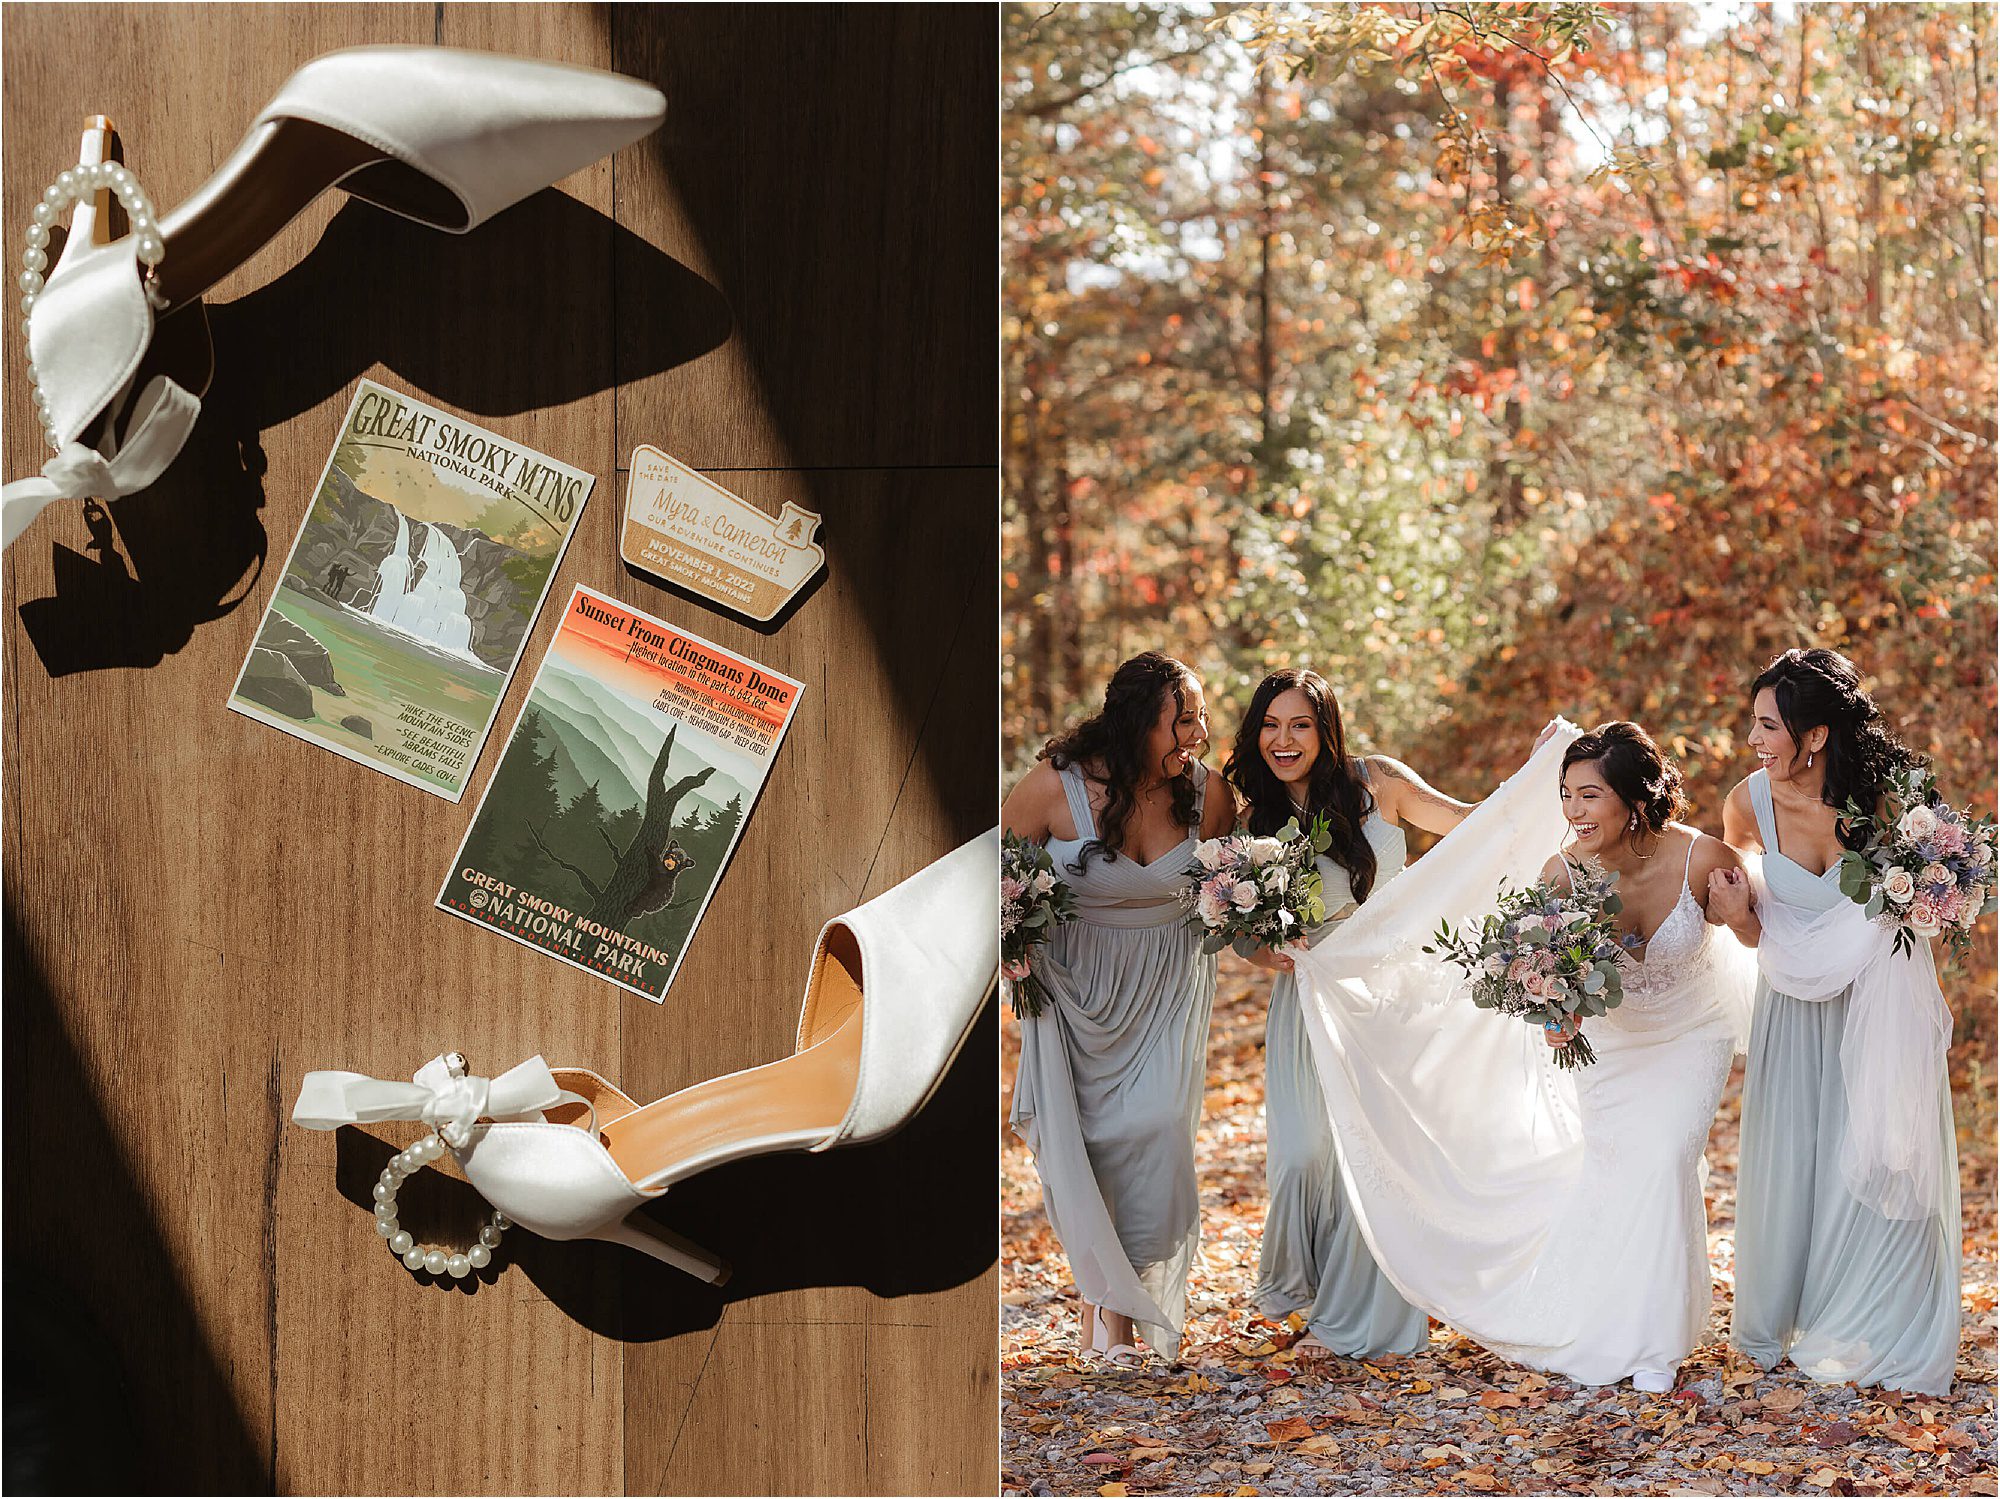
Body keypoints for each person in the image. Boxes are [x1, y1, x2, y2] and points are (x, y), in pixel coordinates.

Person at [1287, 720, 1754, 1391]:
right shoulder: (1560, 874)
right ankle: (1615, 1317)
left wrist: (1738, 915)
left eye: (1589, 796)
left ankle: (1657, 1340)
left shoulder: (1703, 857)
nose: (1572, 811)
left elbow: (1759, 937)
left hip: (1689, 1033)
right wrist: (1554, 1010)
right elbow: (1529, 964)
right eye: (1566, 795)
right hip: (1613, 1047)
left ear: (1634, 797)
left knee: (1667, 1155)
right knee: (1621, 1168)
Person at [1713, 647, 1961, 1394]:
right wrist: (1735, 919)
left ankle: (1873, 1312)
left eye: (1768, 724)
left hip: (1872, 1007)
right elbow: (1753, 925)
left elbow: (1916, 911)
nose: (1754, 738)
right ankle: (1783, 1313)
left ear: (1815, 735)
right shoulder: (1745, 804)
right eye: (1753, 722)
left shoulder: (1887, 805)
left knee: (1872, 1149)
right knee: (1795, 1154)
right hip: (1792, 1007)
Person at [1224, 668, 1477, 1360]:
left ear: (1325, 728)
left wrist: (1549, 780)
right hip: (1307, 1000)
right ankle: (1320, 1292)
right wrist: (1266, 952)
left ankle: (1349, 1320)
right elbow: (1240, 933)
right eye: (1271, 726)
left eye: (1300, 724)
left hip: (1387, 997)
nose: (1284, 739)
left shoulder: (1379, 783)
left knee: (1374, 1154)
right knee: (1307, 1154)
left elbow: (1469, 821)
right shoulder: (1254, 824)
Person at [1004, 652, 1235, 1366]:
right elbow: (992, 877)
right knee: (1092, 1148)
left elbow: (1230, 897)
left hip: (1165, 984)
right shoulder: (1052, 788)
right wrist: (1011, 939)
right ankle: (1114, 1321)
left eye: (1197, 716)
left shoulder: (1209, 794)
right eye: (1183, 718)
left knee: (1159, 1129)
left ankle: (1119, 1311)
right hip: (1073, 989)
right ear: (1138, 721)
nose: (1196, 733)